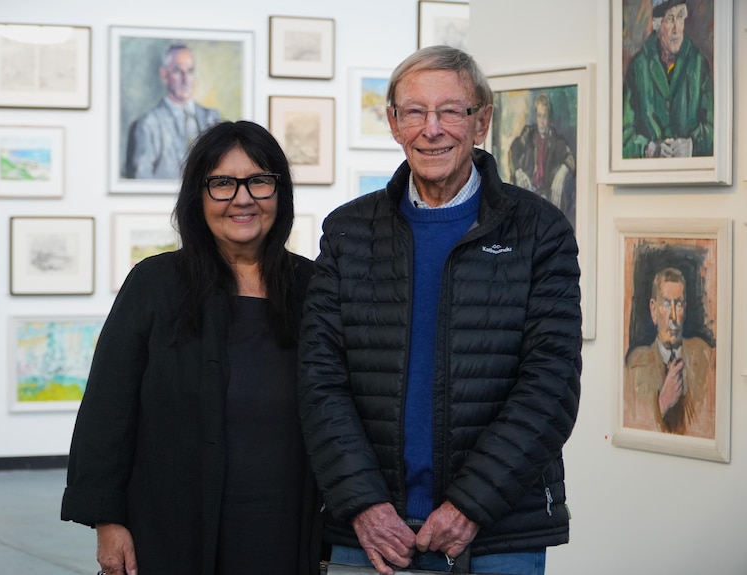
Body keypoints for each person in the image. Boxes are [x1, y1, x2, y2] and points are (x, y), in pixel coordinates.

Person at [298, 45, 582, 575]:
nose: (433, 128)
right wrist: (362, 502)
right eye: (415, 112)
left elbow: (551, 385)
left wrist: (469, 506)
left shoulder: (540, 231)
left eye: (451, 110)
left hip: (500, 532)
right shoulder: (347, 232)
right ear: (393, 122)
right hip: (370, 536)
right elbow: (320, 381)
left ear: (482, 122)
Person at [62, 120, 321, 575]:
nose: (243, 198)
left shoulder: (312, 286)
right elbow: (108, 409)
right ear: (197, 197)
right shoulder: (156, 283)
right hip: (169, 527)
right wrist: (108, 520)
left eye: (259, 181)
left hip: (285, 526)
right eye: (222, 183)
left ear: (280, 193)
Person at [624, 267, 715, 438]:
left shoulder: (705, 355)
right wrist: (662, 403)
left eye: (678, 304)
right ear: (653, 310)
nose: (673, 316)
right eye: (666, 304)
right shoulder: (635, 365)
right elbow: (631, 424)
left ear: (685, 310)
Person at [622, 0, 713, 159]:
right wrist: (649, 149)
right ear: (657, 24)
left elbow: (716, 129)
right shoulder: (638, 68)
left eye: (680, 17)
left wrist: (692, 146)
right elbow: (622, 136)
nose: (677, 29)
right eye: (670, 19)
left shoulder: (699, 64)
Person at [124, 43, 222, 180]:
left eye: (190, 71)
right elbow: (141, 180)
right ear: (164, 75)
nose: (186, 79)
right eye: (178, 71)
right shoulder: (147, 125)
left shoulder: (213, 119)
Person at [508, 93, 576, 219]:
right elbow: (513, 151)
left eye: (545, 116)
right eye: (539, 116)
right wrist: (518, 171)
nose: (542, 122)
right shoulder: (529, 133)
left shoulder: (556, 140)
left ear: (549, 117)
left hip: (546, 197)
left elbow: (571, 158)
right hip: (528, 191)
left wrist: (562, 172)